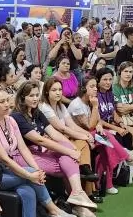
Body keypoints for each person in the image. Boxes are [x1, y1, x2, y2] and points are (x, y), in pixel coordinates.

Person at [0, 87, 77, 217]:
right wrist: (30, 174)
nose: (7, 104)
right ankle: (53, 209)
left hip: (8, 170)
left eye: (7, 100)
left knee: (28, 191)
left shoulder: (10, 121)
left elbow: (23, 148)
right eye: (1, 102)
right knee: (29, 178)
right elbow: (5, 159)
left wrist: (37, 170)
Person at [13, 81, 99, 217]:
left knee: (68, 150)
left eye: (36, 95)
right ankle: (77, 201)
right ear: (23, 98)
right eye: (31, 96)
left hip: (40, 151)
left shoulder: (37, 112)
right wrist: (71, 152)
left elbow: (54, 133)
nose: (35, 98)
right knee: (68, 161)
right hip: (25, 155)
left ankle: (77, 194)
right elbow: (39, 139)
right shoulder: (17, 116)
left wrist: (71, 147)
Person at [39, 77, 101, 206]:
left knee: (84, 143)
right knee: (78, 145)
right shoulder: (45, 107)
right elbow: (61, 128)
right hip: (55, 141)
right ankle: (83, 187)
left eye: (60, 90)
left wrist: (86, 135)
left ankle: (86, 178)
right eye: (54, 90)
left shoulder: (61, 106)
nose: (58, 93)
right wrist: (84, 136)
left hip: (65, 137)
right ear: (46, 92)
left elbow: (71, 125)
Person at [68, 76, 132, 196]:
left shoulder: (90, 101)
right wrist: (96, 107)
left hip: (91, 135)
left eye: (95, 87)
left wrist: (99, 124)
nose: (95, 89)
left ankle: (105, 185)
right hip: (79, 136)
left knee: (107, 149)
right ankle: (128, 157)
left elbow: (97, 121)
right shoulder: (77, 104)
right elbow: (89, 126)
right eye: (91, 87)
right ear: (83, 88)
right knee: (107, 136)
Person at [99, 66, 133, 175]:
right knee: (131, 133)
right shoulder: (107, 92)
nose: (108, 82)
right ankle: (129, 160)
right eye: (105, 79)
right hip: (102, 128)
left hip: (119, 122)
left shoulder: (109, 93)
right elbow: (119, 110)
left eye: (109, 79)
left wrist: (121, 123)